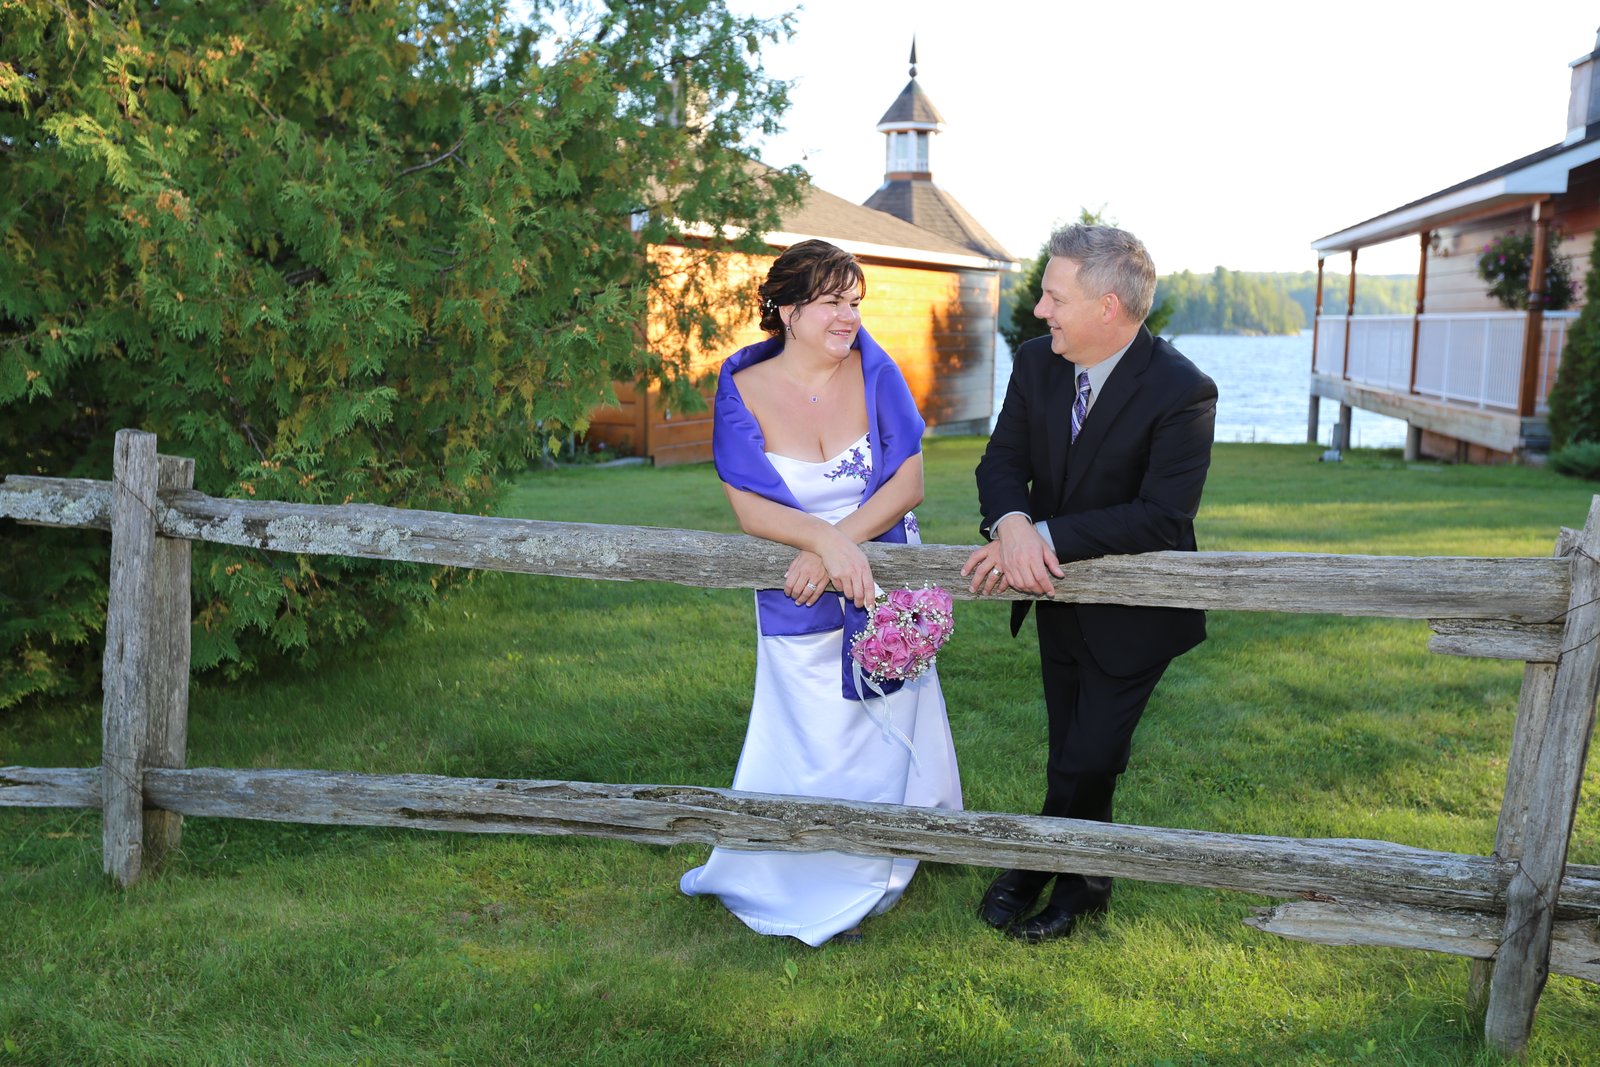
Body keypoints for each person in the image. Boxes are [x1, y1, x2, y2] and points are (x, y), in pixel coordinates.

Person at [680, 239, 963, 946]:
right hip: (795, 590)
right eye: (834, 302)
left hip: (881, 570)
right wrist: (819, 542)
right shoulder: (741, 387)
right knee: (810, 722)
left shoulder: (875, 369)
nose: (849, 317)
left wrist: (842, 544)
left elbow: (909, 482)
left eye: (855, 302)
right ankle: (800, 856)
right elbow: (749, 505)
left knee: (889, 714)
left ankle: (895, 837)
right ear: (786, 307)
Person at [961, 223, 1216, 943]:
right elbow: (1001, 460)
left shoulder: (1183, 390)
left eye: (1053, 295)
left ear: (1107, 307)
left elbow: (1161, 517)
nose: (1040, 309)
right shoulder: (1038, 363)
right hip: (1053, 598)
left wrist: (1041, 536)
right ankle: (1076, 875)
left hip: (1138, 612)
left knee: (1091, 754)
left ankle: (1050, 873)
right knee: (1069, 746)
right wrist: (1011, 519)